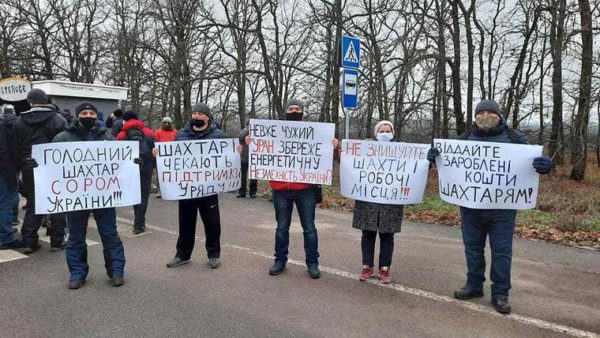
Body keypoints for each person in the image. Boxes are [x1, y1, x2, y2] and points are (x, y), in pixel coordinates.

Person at [427, 99, 553, 314]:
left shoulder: (516, 139)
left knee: (502, 251)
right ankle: (474, 285)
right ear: (475, 116)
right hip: (471, 206)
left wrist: (545, 164)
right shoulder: (464, 139)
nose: (485, 116)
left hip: (502, 208)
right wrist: (433, 159)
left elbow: (536, 160)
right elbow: (450, 165)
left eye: (490, 112)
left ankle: (500, 294)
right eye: (481, 112)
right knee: (473, 249)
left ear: (499, 116)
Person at [247, 99, 338, 279]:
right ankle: (280, 260)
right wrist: (253, 142)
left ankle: (312, 263)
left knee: (309, 228)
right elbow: (263, 151)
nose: (294, 111)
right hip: (281, 189)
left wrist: (334, 146)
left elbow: (324, 156)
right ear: (286, 111)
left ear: (302, 112)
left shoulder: (315, 133)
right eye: (291, 108)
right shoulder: (274, 132)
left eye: (297, 108)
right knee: (281, 228)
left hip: (305, 190)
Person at [52, 101, 127, 289]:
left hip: (104, 196)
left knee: (110, 235)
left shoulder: (108, 138)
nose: (88, 116)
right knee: (76, 236)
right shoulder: (63, 138)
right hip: (76, 196)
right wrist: (36, 165)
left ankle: (116, 271)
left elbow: (121, 165)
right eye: (84, 113)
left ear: (96, 116)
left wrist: (134, 162)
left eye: (91, 113)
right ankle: (77, 273)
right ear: (78, 116)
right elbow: (51, 164)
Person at [166, 103, 228, 269]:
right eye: (194, 113)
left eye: (201, 113)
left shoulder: (219, 136)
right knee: (185, 222)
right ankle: (183, 255)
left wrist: (237, 150)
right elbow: (171, 158)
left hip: (209, 187)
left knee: (212, 222)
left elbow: (228, 157)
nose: (197, 116)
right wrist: (159, 154)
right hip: (187, 188)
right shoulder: (181, 135)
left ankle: (214, 255)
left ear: (208, 117)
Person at [12, 88, 67, 254]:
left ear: (30, 102)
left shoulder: (20, 121)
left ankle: (29, 241)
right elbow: (65, 145)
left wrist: (21, 164)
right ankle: (57, 241)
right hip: (54, 167)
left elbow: (15, 147)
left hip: (29, 168)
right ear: (47, 101)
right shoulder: (58, 119)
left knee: (34, 203)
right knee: (56, 202)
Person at [354, 121, 404, 284]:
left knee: (387, 235)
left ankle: (384, 268)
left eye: (387, 130)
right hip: (368, 199)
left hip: (391, 200)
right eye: (381, 130)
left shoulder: (403, 149)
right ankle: (366, 266)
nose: (384, 133)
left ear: (393, 132)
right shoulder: (366, 147)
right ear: (376, 133)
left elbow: (414, 167)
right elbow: (351, 162)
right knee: (367, 233)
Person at [116, 110, 155, 234]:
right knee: (144, 195)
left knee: (134, 194)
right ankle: (139, 223)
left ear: (125, 120)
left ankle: (138, 220)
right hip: (146, 169)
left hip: (130, 169)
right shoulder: (149, 133)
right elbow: (155, 151)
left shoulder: (121, 135)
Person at [0, 104, 23, 249]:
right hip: (4, 170)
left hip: (5, 168)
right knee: (5, 203)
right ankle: (6, 237)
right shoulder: (4, 127)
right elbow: (3, 150)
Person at [153, 116, 177, 198]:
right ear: (162, 123)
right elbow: (154, 143)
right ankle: (159, 190)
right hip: (161, 157)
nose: (166, 124)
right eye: (165, 122)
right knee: (160, 174)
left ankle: (172, 189)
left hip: (172, 157)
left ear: (171, 124)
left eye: (168, 123)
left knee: (172, 174)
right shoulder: (157, 132)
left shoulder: (175, 132)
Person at [237, 121, 257, 198]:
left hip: (254, 157)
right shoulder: (244, 131)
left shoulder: (258, 131)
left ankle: (253, 192)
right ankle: (242, 192)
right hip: (244, 157)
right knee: (242, 176)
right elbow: (240, 137)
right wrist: (249, 129)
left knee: (254, 175)